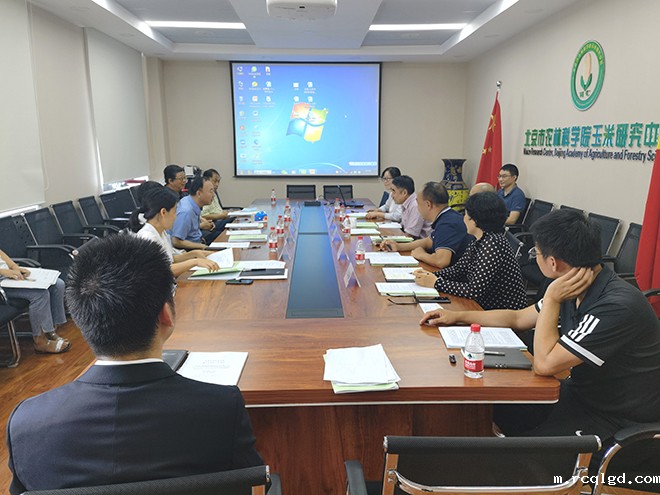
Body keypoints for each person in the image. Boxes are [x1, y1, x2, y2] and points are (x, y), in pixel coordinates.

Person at [7, 235, 263, 494]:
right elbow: (249, 481)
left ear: (84, 320)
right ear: (166, 314)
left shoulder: (26, 422)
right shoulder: (221, 407)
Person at [419, 209, 660, 446]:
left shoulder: (614, 305)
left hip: (616, 420)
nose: (535, 257)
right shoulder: (575, 284)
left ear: (553, 262)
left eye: (536, 252)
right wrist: (457, 316)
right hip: (581, 395)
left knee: (507, 453)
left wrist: (552, 299)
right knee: (487, 408)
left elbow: (545, 365)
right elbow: (518, 318)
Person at [414, 192, 527, 310]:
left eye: (466, 215)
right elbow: (459, 270)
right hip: (485, 305)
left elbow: (474, 290)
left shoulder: (493, 244)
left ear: (475, 220)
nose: (463, 219)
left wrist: (436, 283)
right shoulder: (479, 238)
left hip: (503, 311)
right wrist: (430, 275)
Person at [128, 186, 220, 277]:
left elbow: (170, 260)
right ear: (163, 212)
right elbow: (162, 271)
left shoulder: (161, 231)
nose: (176, 217)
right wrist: (195, 262)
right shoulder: (148, 237)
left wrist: (194, 254)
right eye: (175, 211)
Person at [381, 182, 469, 270]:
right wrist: (398, 246)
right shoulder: (447, 216)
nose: (417, 208)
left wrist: (421, 255)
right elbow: (427, 242)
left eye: (418, 203)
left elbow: (441, 261)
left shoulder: (448, 223)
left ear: (428, 205)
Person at [0, 251, 69, 354]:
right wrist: (3, 272)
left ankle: (49, 330)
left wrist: (15, 267)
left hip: (8, 276)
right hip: (2, 282)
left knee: (58, 284)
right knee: (40, 294)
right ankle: (40, 341)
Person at [171, 176, 217, 250]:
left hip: (198, 240)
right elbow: (176, 241)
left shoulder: (190, 201)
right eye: (211, 191)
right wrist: (202, 247)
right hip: (190, 250)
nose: (213, 195)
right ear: (199, 193)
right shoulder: (186, 212)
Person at [200, 169, 235, 243]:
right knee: (228, 234)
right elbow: (204, 215)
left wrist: (226, 212)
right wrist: (221, 216)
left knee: (236, 218)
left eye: (218, 182)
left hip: (220, 219)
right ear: (207, 180)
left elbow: (218, 209)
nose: (217, 184)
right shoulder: (204, 195)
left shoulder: (214, 192)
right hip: (214, 222)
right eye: (215, 181)